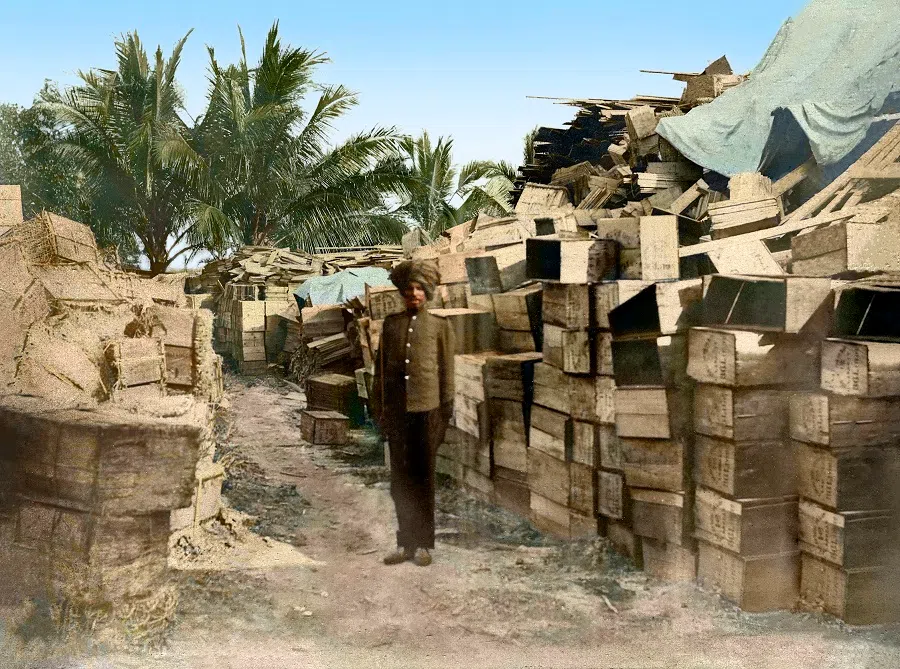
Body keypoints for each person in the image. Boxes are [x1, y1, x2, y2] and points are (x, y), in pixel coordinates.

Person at [370, 260, 454, 567]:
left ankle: (423, 545)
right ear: (402, 293)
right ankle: (405, 544)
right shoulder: (391, 325)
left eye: (420, 289)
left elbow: (447, 374)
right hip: (398, 414)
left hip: (427, 412)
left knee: (423, 479)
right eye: (409, 289)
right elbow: (379, 373)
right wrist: (379, 409)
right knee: (399, 482)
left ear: (428, 293)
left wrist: (444, 414)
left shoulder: (440, 328)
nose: (414, 294)